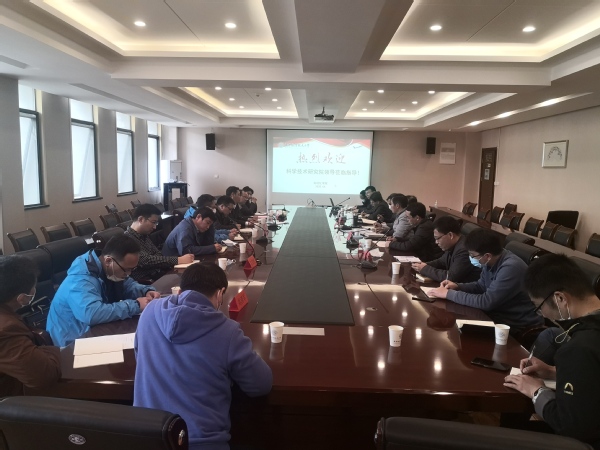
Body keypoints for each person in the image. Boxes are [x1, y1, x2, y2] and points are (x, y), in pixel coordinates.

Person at [134, 263, 273, 450]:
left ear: (180, 291)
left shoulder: (149, 313)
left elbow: (139, 356)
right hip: (202, 443)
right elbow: (260, 385)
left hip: (147, 438)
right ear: (220, 294)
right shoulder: (227, 331)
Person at [504, 254, 600, 449]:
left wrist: (537, 391)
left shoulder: (578, 348)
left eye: (538, 307)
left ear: (560, 298)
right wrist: (554, 372)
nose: (542, 315)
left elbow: (573, 428)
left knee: (507, 432)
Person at [46, 235, 159, 347]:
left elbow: (128, 285)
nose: (128, 274)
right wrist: (136, 305)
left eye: (132, 269)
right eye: (126, 269)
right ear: (108, 261)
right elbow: (91, 314)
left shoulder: (109, 269)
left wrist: (145, 291)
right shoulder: (81, 279)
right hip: (72, 342)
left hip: (95, 330)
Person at [428, 228, 543, 334]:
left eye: (473, 255)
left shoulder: (511, 267)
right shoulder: (492, 260)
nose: (471, 258)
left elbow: (486, 302)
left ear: (487, 256)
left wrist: (449, 294)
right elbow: (481, 286)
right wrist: (457, 286)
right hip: (497, 315)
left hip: (516, 325)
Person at [0, 255, 61, 396]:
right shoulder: (6, 330)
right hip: (11, 400)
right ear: (22, 298)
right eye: (34, 287)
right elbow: (45, 376)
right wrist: (53, 350)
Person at [125, 203, 194, 282]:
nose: (155, 227)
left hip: (157, 275)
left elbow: (158, 255)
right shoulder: (126, 239)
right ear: (141, 219)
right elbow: (145, 261)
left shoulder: (144, 235)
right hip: (144, 281)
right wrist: (178, 260)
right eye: (153, 222)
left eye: (156, 223)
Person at [412, 216, 481, 283]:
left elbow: (451, 277)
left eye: (437, 238)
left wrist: (425, 269)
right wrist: (423, 265)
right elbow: (441, 262)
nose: (436, 242)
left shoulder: (464, 250)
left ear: (450, 235)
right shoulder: (453, 245)